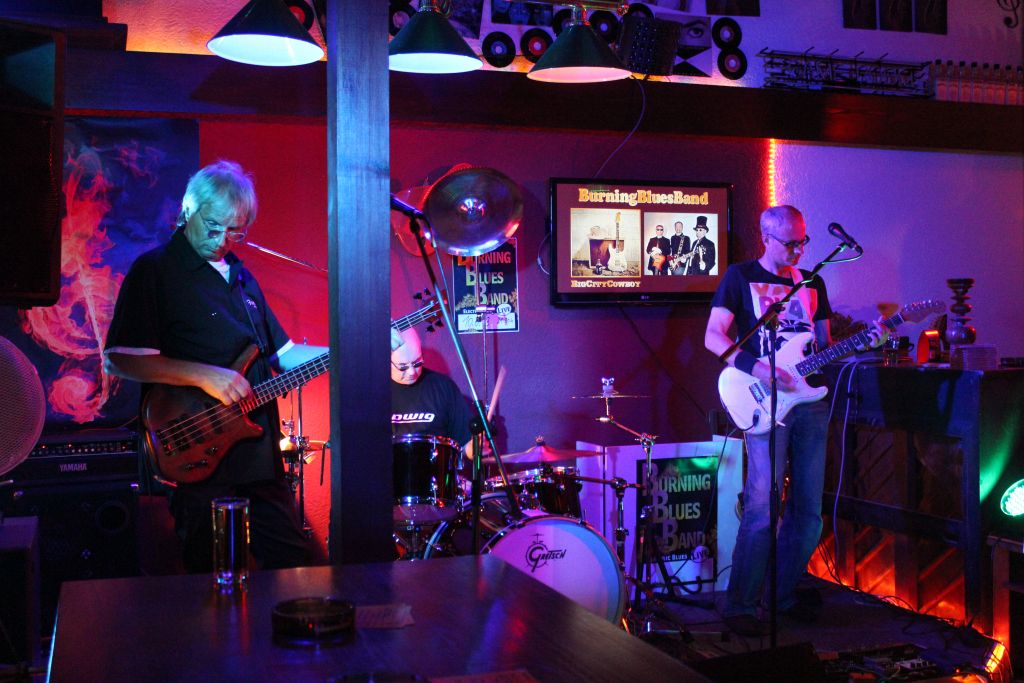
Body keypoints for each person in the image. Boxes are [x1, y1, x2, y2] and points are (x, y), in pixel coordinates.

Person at [104, 160, 328, 573]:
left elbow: (282, 355)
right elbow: (119, 359)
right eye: (213, 226)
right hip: (199, 457)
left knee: (294, 566)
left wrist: (355, 347)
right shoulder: (156, 270)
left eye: (235, 231)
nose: (223, 240)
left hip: (259, 457)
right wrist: (205, 375)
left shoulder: (242, 278)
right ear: (188, 210)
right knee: (211, 576)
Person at [704, 205, 887, 636]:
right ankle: (741, 606)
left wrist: (867, 340)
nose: (799, 250)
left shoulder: (811, 282)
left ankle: (780, 596)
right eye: (790, 243)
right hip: (762, 399)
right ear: (766, 237)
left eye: (804, 241)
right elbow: (713, 336)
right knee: (762, 506)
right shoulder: (740, 277)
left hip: (808, 401)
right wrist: (758, 368)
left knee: (808, 511)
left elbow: (824, 346)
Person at [391, 327, 473, 454]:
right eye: (403, 367)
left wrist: (475, 448)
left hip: (434, 466)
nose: (412, 372)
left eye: (417, 363)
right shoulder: (370, 392)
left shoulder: (443, 387)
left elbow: (466, 445)